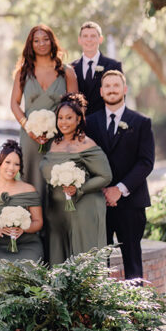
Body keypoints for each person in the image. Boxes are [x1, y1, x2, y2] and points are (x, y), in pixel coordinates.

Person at [85, 70, 155, 280]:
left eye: (116, 85)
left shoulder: (142, 122)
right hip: (99, 202)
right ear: (101, 91)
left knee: (132, 258)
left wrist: (119, 190)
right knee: (100, 261)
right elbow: (85, 161)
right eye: (108, 86)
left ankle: (137, 309)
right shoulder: (89, 123)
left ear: (124, 89)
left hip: (131, 201)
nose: (112, 90)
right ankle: (102, 307)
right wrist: (102, 190)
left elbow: (146, 162)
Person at [40, 93, 112, 264]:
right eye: (60, 118)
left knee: (84, 259)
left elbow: (106, 176)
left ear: (79, 119)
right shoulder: (53, 143)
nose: (63, 122)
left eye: (69, 118)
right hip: (57, 210)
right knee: (58, 259)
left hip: (83, 208)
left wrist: (80, 188)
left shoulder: (86, 144)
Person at [10, 24, 79, 196]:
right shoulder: (23, 73)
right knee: (31, 181)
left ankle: (56, 222)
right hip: (30, 138)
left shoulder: (66, 72)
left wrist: (67, 132)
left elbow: (76, 106)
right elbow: (14, 104)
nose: (41, 43)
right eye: (36, 40)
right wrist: (28, 127)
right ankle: (34, 221)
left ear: (52, 41)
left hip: (60, 137)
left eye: (46, 39)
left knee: (59, 180)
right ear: (30, 44)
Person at [0, 139, 44, 263]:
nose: (11, 168)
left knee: (28, 270)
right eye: (7, 162)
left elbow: (38, 222)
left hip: (27, 244)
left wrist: (24, 229)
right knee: (3, 272)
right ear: (0, 163)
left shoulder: (29, 189)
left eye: (16, 164)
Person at [70, 22, 123, 117]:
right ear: (80, 40)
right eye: (85, 36)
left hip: (104, 124)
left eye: (93, 36)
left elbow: (119, 98)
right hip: (79, 125)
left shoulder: (113, 66)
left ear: (100, 39)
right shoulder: (71, 68)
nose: (89, 40)